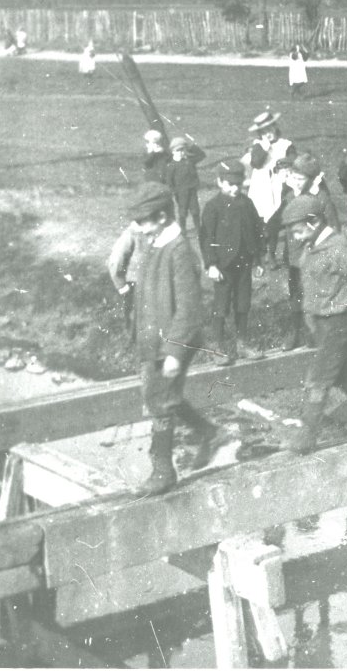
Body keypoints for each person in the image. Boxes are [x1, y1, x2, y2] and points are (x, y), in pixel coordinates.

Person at [128, 182, 219, 495]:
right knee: (160, 396)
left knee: (159, 402)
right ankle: (208, 431)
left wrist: (175, 352)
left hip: (173, 341)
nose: (139, 228)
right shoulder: (154, 244)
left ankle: (163, 471)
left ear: (163, 217)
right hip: (154, 340)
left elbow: (189, 308)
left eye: (144, 221)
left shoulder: (178, 250)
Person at [280, 194, 347, 454]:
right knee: (339, 374)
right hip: (320, 322)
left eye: (299, 231)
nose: (296, 237)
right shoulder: (312, 247)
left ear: (314, 222)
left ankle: (307, 435)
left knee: (318, 378)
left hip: (339, 321)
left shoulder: (338, 247)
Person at [199, 161, 266, 365]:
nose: (235, 189)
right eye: (230, 184)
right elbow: (206, 238)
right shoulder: (213, 207)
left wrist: (258, 260)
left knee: (243, 303)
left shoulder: (247, 204)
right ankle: (217, 346)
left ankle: (242, 343)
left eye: (238, 184)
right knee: (221, 305)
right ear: (220, 182)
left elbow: (257, 232)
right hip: (223, 265)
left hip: (244, 262)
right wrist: (211, 264)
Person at [278, 152, 340, 351]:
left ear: (312, 180)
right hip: (295, 257)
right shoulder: (289, 196)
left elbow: (333, 227)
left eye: (301, 179)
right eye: (293, 177)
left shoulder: (321, 198)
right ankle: (295, 332)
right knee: (296, 295)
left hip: (314, 256)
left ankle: (315, 332)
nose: (296, 183)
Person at [243, 110, 295, 264]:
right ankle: (259, 252)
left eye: (270, 129)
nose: (268, 133)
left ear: (275, 127)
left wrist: (285, 164)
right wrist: (265, 147)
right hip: (261, 187)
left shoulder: (285, 144)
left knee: (274, 220)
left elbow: (293, 160)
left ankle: (271, 253)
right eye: (264, 131)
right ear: (260, 133)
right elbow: (256, 163)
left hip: (279, 185)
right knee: (259, 219)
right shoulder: (258, 145)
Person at [107, 221, 152, 343]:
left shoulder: (154, 233)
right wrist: (121, 284)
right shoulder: (131, 235)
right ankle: (134, 341)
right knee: (134, 315)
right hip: (134, 284)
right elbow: (116, 260)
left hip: (150, 282)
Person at [165, 136, 207, 233]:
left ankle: (198, 229)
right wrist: (174, 191)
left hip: (192, 190)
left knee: (195, 210)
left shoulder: (189, 161)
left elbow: (202, 155)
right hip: (181, 192)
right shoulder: (171, 165)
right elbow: (169, 181)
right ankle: (183, 230)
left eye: (183, 150)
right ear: (173, 152)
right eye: (178, 150)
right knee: (183, 212)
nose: (181, 153)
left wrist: (191, 146)